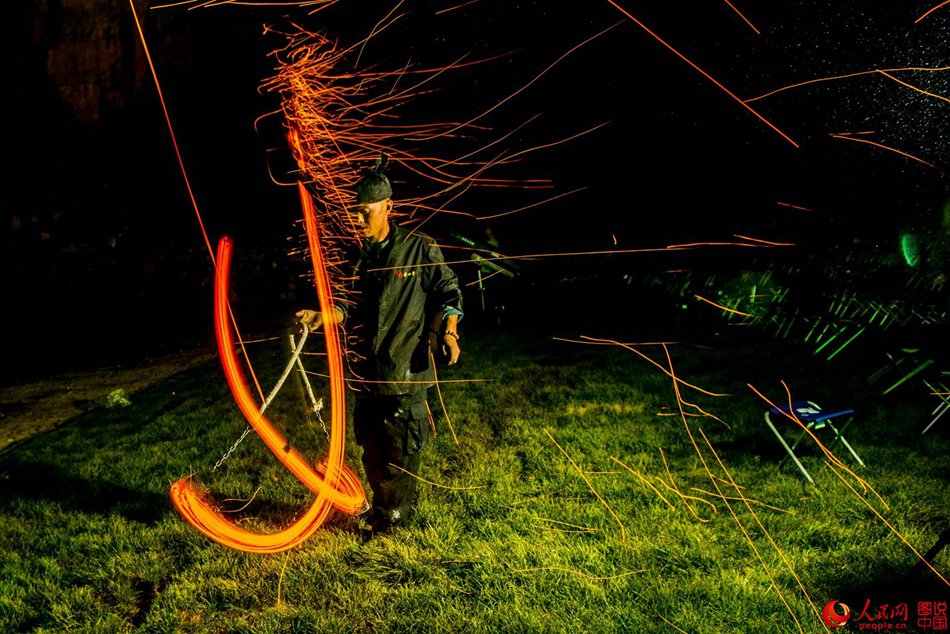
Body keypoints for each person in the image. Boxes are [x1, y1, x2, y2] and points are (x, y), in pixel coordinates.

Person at [296, 157, 462, 536]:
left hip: (404, 370)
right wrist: (323, 316)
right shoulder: (360, 257)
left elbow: (448, 290)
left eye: (365, 212)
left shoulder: (420, 248)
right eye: (355, 213)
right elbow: (348, 304)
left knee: (400, 448)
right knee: (372, 446)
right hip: (367, 371)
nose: (358, 221)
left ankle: (395, 517)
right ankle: (382, 508)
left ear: (388, 206)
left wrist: (450, 331)